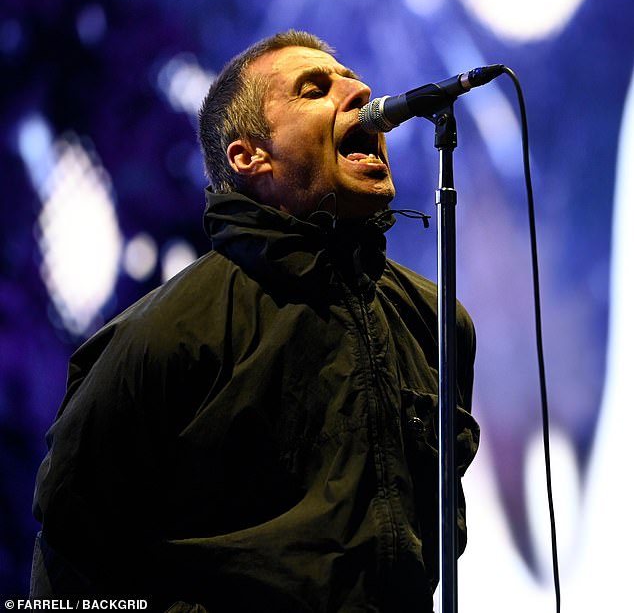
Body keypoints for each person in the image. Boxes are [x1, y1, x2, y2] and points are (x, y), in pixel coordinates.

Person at [31, 30, 479, 612]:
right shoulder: (166, 334)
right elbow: (70, 550)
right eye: (314, 89)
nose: (362, 92)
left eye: (351, 80)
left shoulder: (436, 321)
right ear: (249, 156)